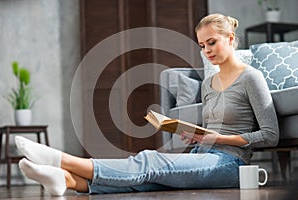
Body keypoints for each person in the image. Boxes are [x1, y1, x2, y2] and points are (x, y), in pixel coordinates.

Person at [15, 13, 279, 196]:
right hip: (202, 155)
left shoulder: (251, 78)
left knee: (150, 162)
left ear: (231, 38)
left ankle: (62, 160)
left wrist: (219, 138)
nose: (207, 50)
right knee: (148, 180)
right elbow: (209, 132)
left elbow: (270, 135)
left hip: (230, 165)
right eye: (202, 45)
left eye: (212, 42)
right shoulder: (208, 84)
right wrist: (192, 134)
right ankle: (67, 180)